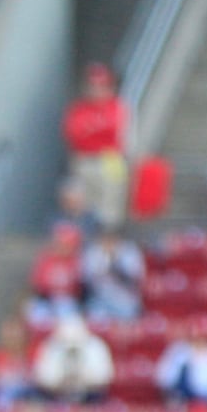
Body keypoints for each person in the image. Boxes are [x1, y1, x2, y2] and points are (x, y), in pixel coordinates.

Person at [61, 63, 131, 227]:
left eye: (101, 86)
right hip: (85, 159)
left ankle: (109, 238)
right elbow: (74, 134)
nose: (96, 90)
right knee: (84, 202)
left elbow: (116, 132)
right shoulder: (79, 108)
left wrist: (93, 128)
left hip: (111, 159)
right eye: (92, 86)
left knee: (111, 200)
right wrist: (97, 128)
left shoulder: (117, 106)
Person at [79, 229, 145, 322]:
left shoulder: (129, 251)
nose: (108, 242)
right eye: (105, 238)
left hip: (124, 299)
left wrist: (114, 262)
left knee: (127, 317)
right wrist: (104, 263)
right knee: (96, 318)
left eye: (112, 238)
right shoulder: (92, 251)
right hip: (99, 299)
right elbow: (86, 280)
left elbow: (134, 278)